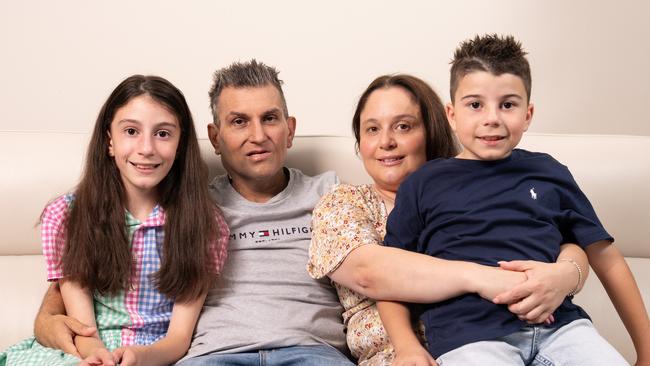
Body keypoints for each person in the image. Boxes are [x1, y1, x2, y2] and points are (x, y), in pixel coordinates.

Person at [33, 61, 354, 366]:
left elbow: (373, 268)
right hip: (215, 352)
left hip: (311, 350)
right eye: (239, 121)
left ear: (290, 129)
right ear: (215, 137)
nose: (257, 135)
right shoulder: (194, 207)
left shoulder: (331, 195)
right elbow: (81, 270)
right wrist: (47, 321)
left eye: (269, 118)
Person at [379, 34, 650, 365]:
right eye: (475, 104)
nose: (492, 117)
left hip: (563, 329)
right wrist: (406, 346)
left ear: (528, 114)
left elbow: (606, 257)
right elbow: (391, 276)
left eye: (507, 105)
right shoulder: (424, 183)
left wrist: (645, 352)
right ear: (451, 114)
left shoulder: (548, 171)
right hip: (471, 337)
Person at [308, 73, 590, 365]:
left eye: (403, 126)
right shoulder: (345, 202)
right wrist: (482, 278)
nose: (386, 142)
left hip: (511, 337)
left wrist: (568, 272)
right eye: (371, 129)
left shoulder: (481, 189)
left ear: (433, 129)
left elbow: (561, 239)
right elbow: (371, 273)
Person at [1, 75, 229, 366]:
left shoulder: (205, 225)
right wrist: (97, 355)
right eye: (131, 131)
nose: (146, 148)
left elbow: (178, 339)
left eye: (163, 134)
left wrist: (138, 357)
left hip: (155, 356)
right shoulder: (67, 217)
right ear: (109, 141)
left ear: (180, 144)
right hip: (84, 350)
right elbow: (83, 326)